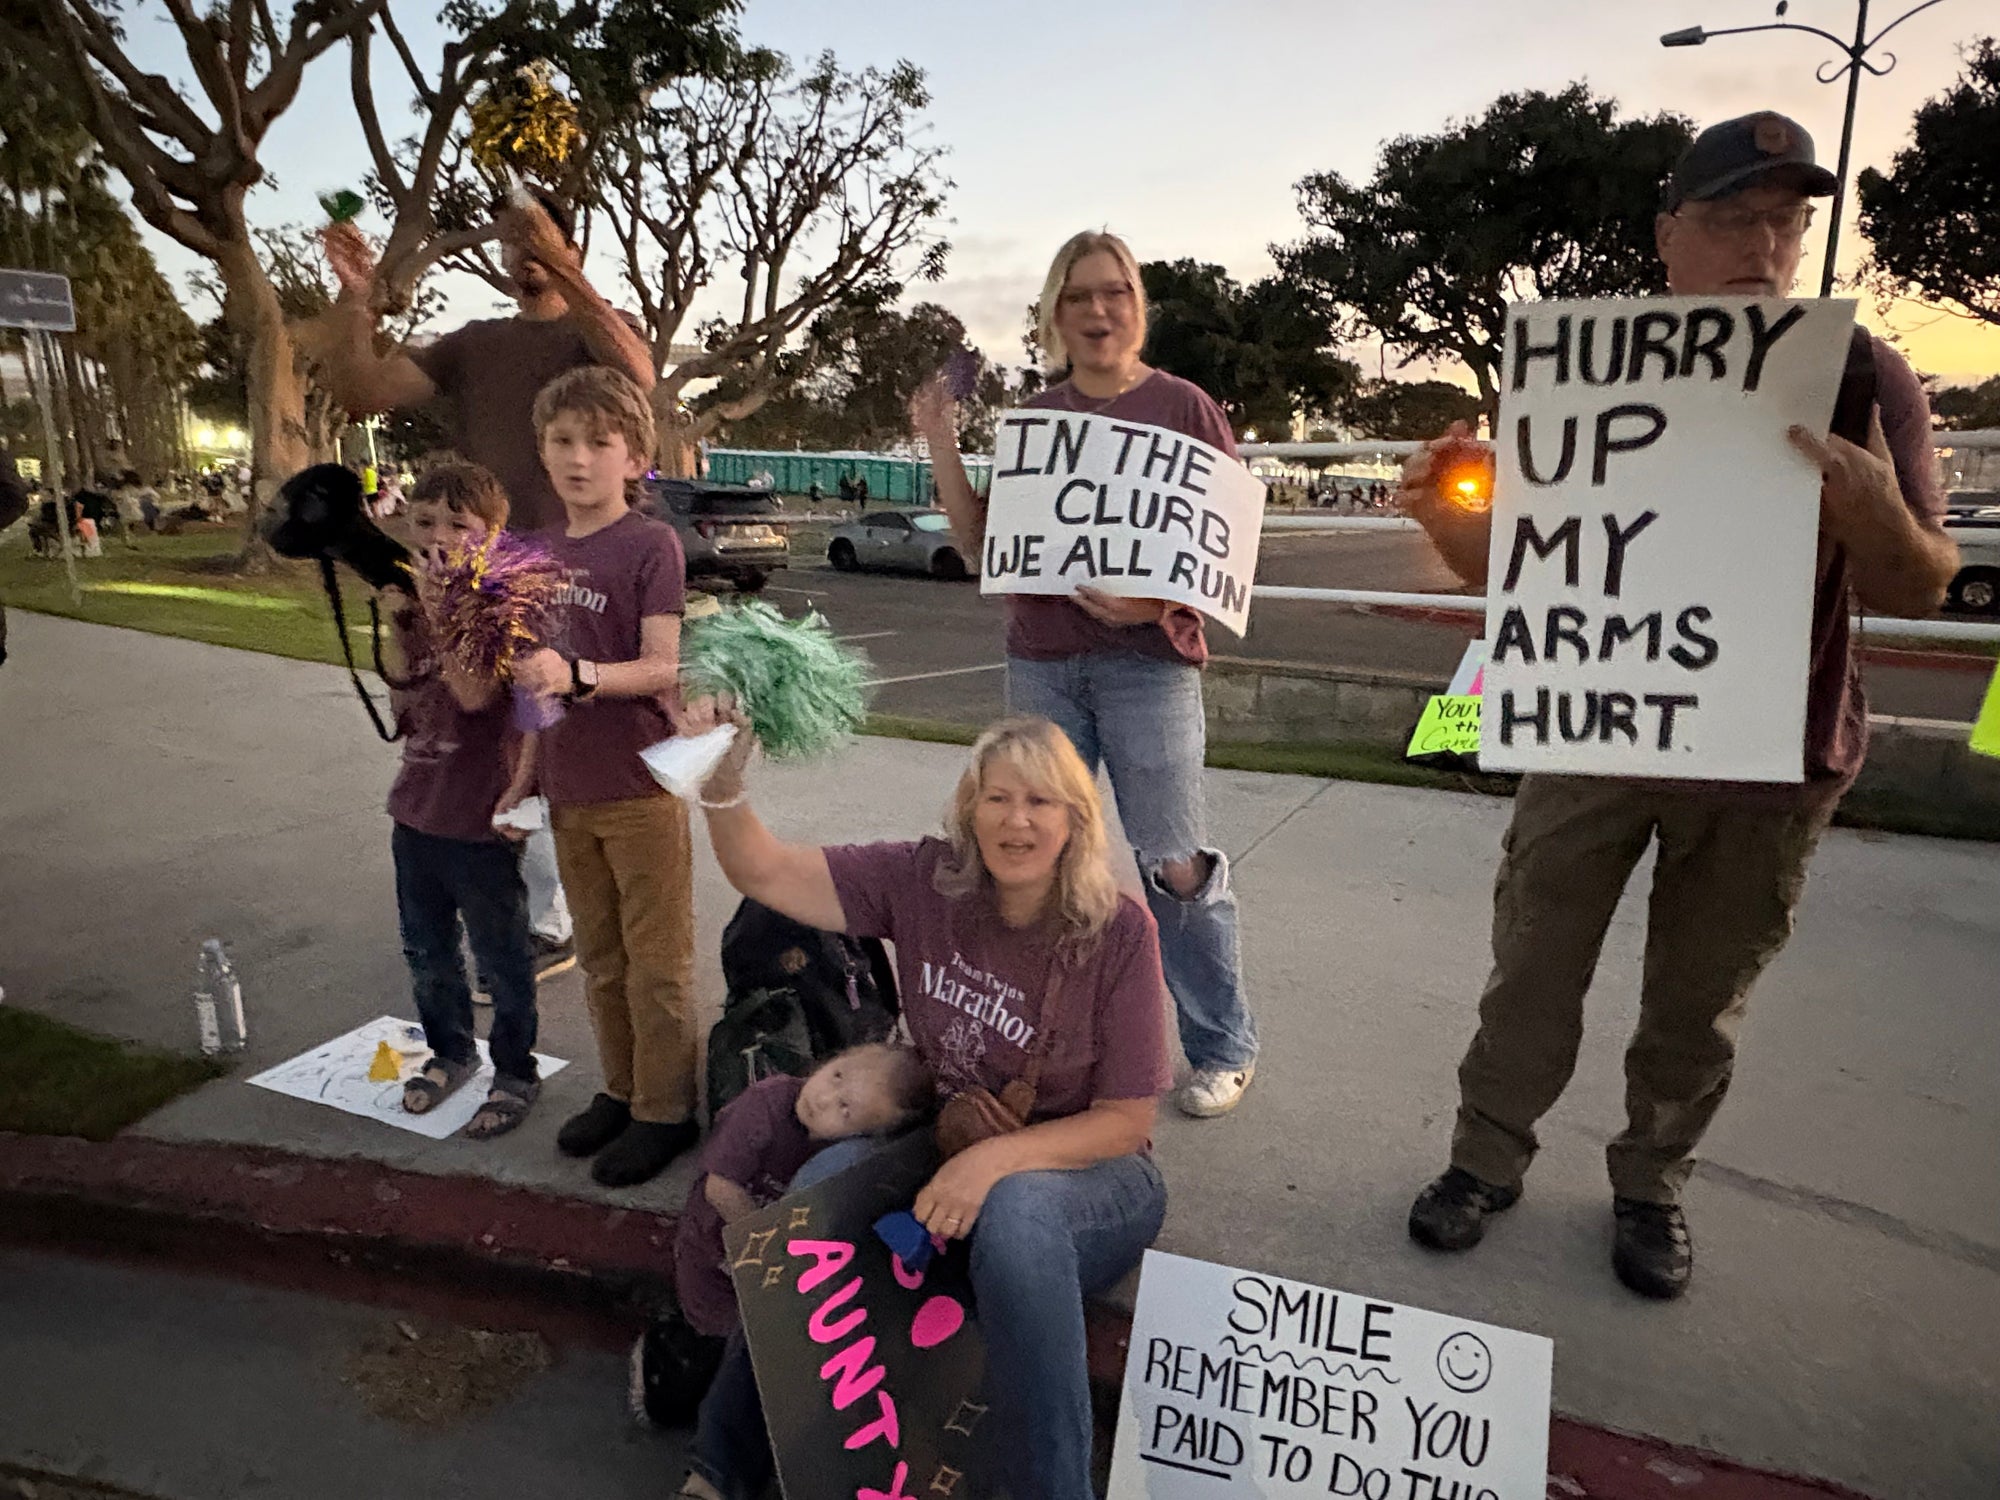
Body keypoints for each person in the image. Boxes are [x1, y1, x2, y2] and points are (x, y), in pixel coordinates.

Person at [1399, 112, 1958, 1300]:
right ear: (1668, 238)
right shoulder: (1592, 363)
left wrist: (1870, 506)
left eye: (1784, 220)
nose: (1761, 243)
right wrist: (1438, 515)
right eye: (1728, 218)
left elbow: (1922, 580)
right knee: (1532, 969)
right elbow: (1513, 561)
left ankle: (1650, 1188)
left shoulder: (1862, 375)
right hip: (1597, 731)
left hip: (1774, 752)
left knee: (1697, 1007)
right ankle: (1481, 1162)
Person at [678, 711, 1172, 1500]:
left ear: (1076, 821)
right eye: (998, 798)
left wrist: (992, 1164)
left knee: (1015, 1221)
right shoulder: (924, 881)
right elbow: (766, 872)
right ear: (967, 809)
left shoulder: (1116, 933)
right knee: (821, 1191)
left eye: (1042, 802)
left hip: (1093, 1176)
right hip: (951, 1148)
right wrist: (724, 784)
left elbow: (1128, 1121)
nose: (1018, 820)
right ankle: (721, 1468)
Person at [910, 229, 1260, 1119]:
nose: (1099, 311)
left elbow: (1225, 553)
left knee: (1175, 865)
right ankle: (1046, 1048)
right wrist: (939, 441)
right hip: (1044, 664)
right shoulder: (1037, 418)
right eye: (1079, 296)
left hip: (1150, 671)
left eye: (1115, 292)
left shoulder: (1186, 408)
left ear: (1138, 305)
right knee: (1039, 862)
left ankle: (1222, 1045)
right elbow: (984, 546)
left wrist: (1149, 610)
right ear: (1055, 313)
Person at [311, 186, 654, 979]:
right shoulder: (471, 343)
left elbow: (637, 372)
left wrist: (562, 262)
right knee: (493, 728)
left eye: (538, 239)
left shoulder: (595, 331)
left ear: (569, 247)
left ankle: (555, 911)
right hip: (484, 567)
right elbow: (363, 390)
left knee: (553, 725)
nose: (522, 254)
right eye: (514, 242)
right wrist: (355, 302)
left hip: (574, 565)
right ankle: (518, 903)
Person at [509, 366, 699, 1187]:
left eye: (599, 442)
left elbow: (662, 667)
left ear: (633, 457)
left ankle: (667, 1110)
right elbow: (528, 678)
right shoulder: (536, 551)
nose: (579, 459)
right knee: (600, 957)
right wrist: (522, 774)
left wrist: (580, 675)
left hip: (640, 785)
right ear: (543, 455)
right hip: (568, 789)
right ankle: (621, 1090)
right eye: (562, 442)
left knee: (658, 965)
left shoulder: (649, 546)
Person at [631, 1045, 938, 1426]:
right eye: (836, 1075)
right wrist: (776, 1246)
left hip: (775, 1264)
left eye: (846, 1110)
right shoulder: (765, 1104)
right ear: (831, 1059)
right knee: (712, 1348)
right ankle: (663, 1349)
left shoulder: (844, 1155)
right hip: (715, 1252)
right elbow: (720, 1188)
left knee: (758, 1349)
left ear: (863, 1136)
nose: (824, 1098)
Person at [382, 461, 545, 1139]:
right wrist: (401, 623)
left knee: (499, 955)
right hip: (416, 808)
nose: (440, 537)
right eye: (425, 523)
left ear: (491, 538)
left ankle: (515, 1068)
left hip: (479, 816)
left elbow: (478, 697)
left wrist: (443, 609)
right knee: (427, 950)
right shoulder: (416, 605)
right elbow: (403, 702)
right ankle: (451, 1050)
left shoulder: (502, 609)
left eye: (459, 525)